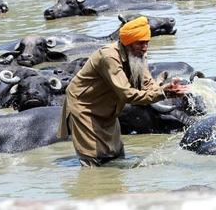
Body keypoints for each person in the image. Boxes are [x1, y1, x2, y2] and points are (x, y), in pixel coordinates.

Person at [58, 16, 187, 167]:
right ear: (127, 43)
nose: (145, 47)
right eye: (140, 43)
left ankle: (117, 187)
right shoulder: (109, 57)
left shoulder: (138, 55)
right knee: (93, 157)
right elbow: (127, 95)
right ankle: (91, 188)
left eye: (147, 42)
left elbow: (147, 84)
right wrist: (163, 93)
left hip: (108, 106)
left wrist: (167, 89)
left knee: (115, 152)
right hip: (85, 106)